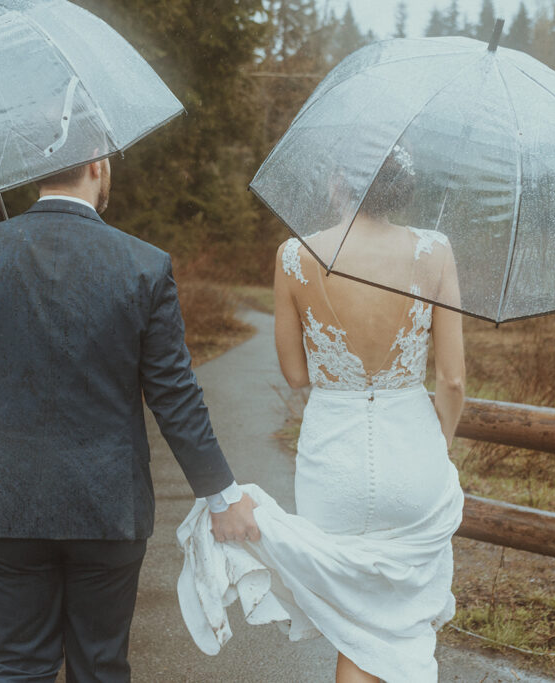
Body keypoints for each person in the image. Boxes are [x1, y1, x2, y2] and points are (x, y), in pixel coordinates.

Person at [0, 156, 259, 682]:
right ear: (97, 166)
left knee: (16, 666)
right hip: (105, 503)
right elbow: (173, 395)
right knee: (100, 667)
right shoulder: (143, 264)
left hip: (0, 500)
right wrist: (220, 495)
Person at [176, 145, 466, 682]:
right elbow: (451, 379)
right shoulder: (436, 251)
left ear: (339, 184)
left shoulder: (295, 256)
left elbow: (296, 373)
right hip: (414, 450)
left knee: (356, 623)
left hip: (334, 458)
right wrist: (441, 442)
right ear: (399, 188)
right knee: (403, 626)